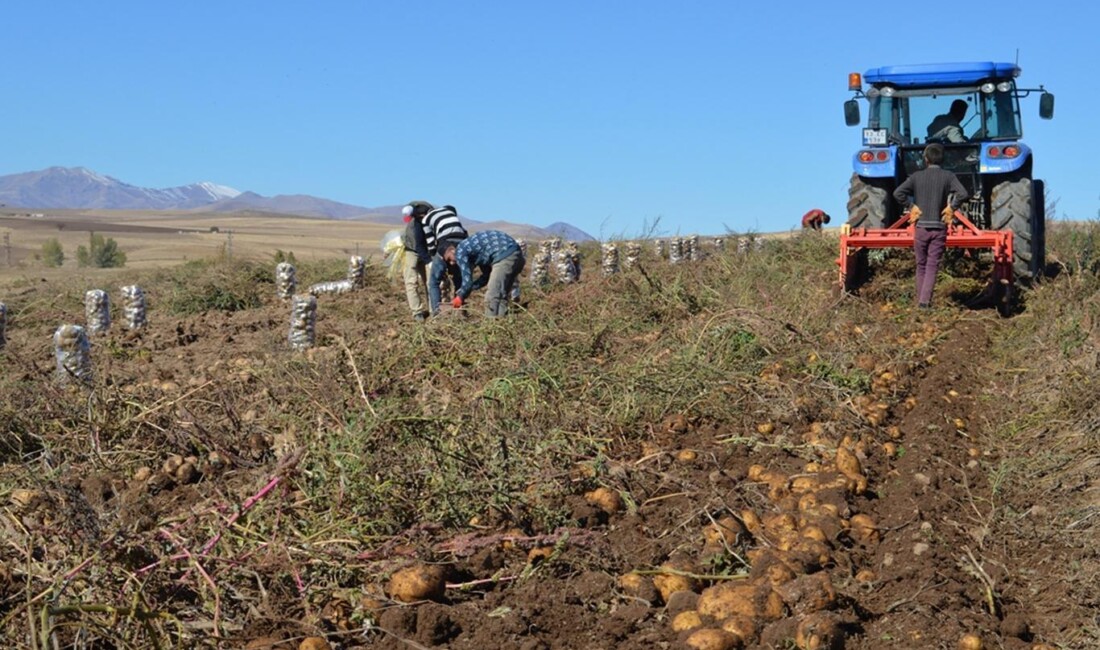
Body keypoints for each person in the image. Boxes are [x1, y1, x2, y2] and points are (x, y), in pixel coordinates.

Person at [892, 143, 969, 309]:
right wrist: (951, 207)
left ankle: (919, 302)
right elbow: (963, 193)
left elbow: (897, 193)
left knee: (921, 265)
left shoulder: (916, 177)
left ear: (925, 159)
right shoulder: (948, 176)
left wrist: (911, 207)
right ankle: (924, 302)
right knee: (932, 265)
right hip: (939, 228)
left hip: (921, 229)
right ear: (943, 159)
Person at [439, 230, 526, 317]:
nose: (451, 263)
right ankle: (500, 321)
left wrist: (459, 297)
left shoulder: (460, 251)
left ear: (452, 250)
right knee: (501, 295)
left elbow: (467, 282)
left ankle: (491, 325)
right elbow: (486, 276)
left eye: (449, 259)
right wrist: (473, 287)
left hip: (504, 256)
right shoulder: (475, 250)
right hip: (517, 255)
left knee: (492, 295)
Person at [422, 205, 469, 316]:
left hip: (445, 243)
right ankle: (460, 311)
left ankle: (436, 314)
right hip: (461, 243)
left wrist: (433, 259)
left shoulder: (426, 219)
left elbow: (430, 241)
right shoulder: (450, 213)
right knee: (459, 280)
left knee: (434, 282)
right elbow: (465, 233)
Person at [400, 201, 434, 321]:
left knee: (431, 282)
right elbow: (419, 246)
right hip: (411, 250)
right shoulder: (414, 226)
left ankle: (433, 310)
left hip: (429, 251)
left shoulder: (433, 222)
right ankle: (417, 312)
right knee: (411, 282)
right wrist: (429, 262)